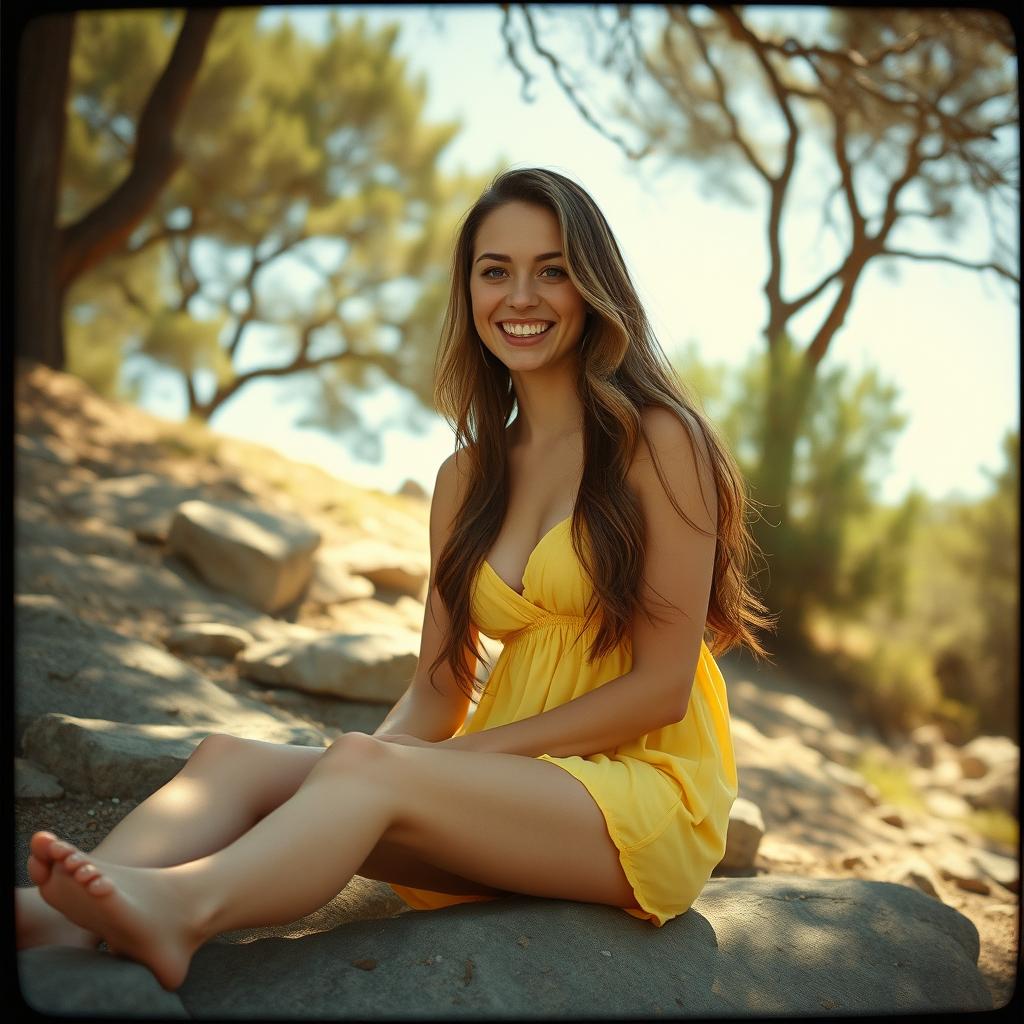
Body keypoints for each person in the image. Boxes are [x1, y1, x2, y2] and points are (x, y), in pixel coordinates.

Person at [17, 167, 776, 992]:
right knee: (232, 757)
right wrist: (356, 765)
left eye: (551, 269)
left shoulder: (661, 440)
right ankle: (63, 914)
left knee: (367, 770)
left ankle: (181, 911)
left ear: (594, 286)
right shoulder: (466, 478)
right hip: (507, 788)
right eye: (496, 271)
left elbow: (662, 689)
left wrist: (457, 763)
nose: (521, 296)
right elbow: (436, 691)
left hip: (641, 797)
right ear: (469, 290)